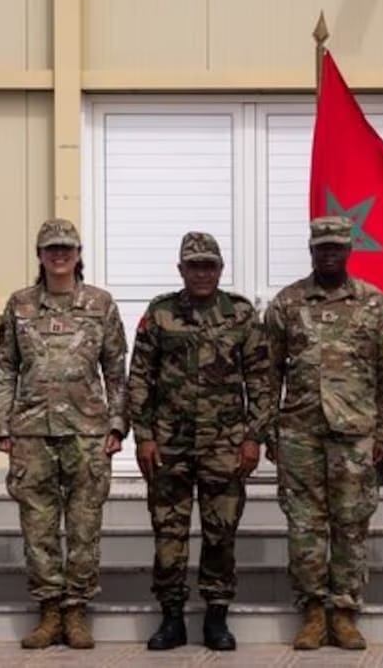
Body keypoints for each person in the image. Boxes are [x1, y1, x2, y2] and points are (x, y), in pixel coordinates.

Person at [127, 232, 271, 652]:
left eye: (209, 265)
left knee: (220, 534)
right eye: (194, 266)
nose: (202, 273)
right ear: (181, 270)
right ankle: (171, 619)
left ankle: (216, 617)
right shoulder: (161, 313)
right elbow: (140, 378)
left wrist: (252, 437)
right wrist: (144, 437)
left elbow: (261, 380)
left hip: (224, 446)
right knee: (168, 534)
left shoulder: (240, 315)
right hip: (169, 445)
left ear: (221, 269)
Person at [0, 219, 129, 650]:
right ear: (40, 255)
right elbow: (7, 368)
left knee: (85, 524)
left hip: (87, 431)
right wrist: (2, 423)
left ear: (78, 253)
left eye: (66, 248)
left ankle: (77, 611)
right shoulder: (20, 305)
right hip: (31, 430)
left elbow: (116, 370)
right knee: (39, 525)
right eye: (51, 249)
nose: (59, 255)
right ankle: (49, 610)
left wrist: (117, 423)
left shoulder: (100, 304)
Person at [265, 216, 383, 650]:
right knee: (304, 525)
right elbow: (268, 375)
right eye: (321, 247)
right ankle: (311, 611)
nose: (328, 253)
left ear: (348, 250)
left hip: (355, 434)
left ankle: (343, 612)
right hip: (300, 432)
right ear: (311, 250)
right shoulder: (287, 304)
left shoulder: (374, 304)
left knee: (351, 523)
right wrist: (268, 431)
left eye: (336, 247)